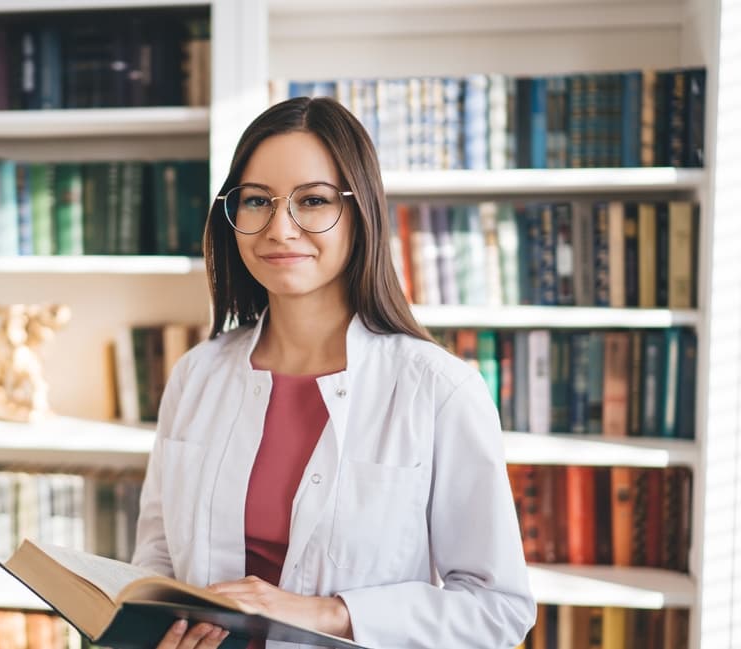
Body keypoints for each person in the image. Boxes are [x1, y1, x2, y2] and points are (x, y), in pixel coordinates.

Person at [131, 96, 536, 649]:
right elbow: (156, 560)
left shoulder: (438, 390)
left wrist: (329, 613)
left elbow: (497, 610)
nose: (280, 228)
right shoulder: (195, 376)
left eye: (313, 201)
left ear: (360, 211)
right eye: (256, 201)